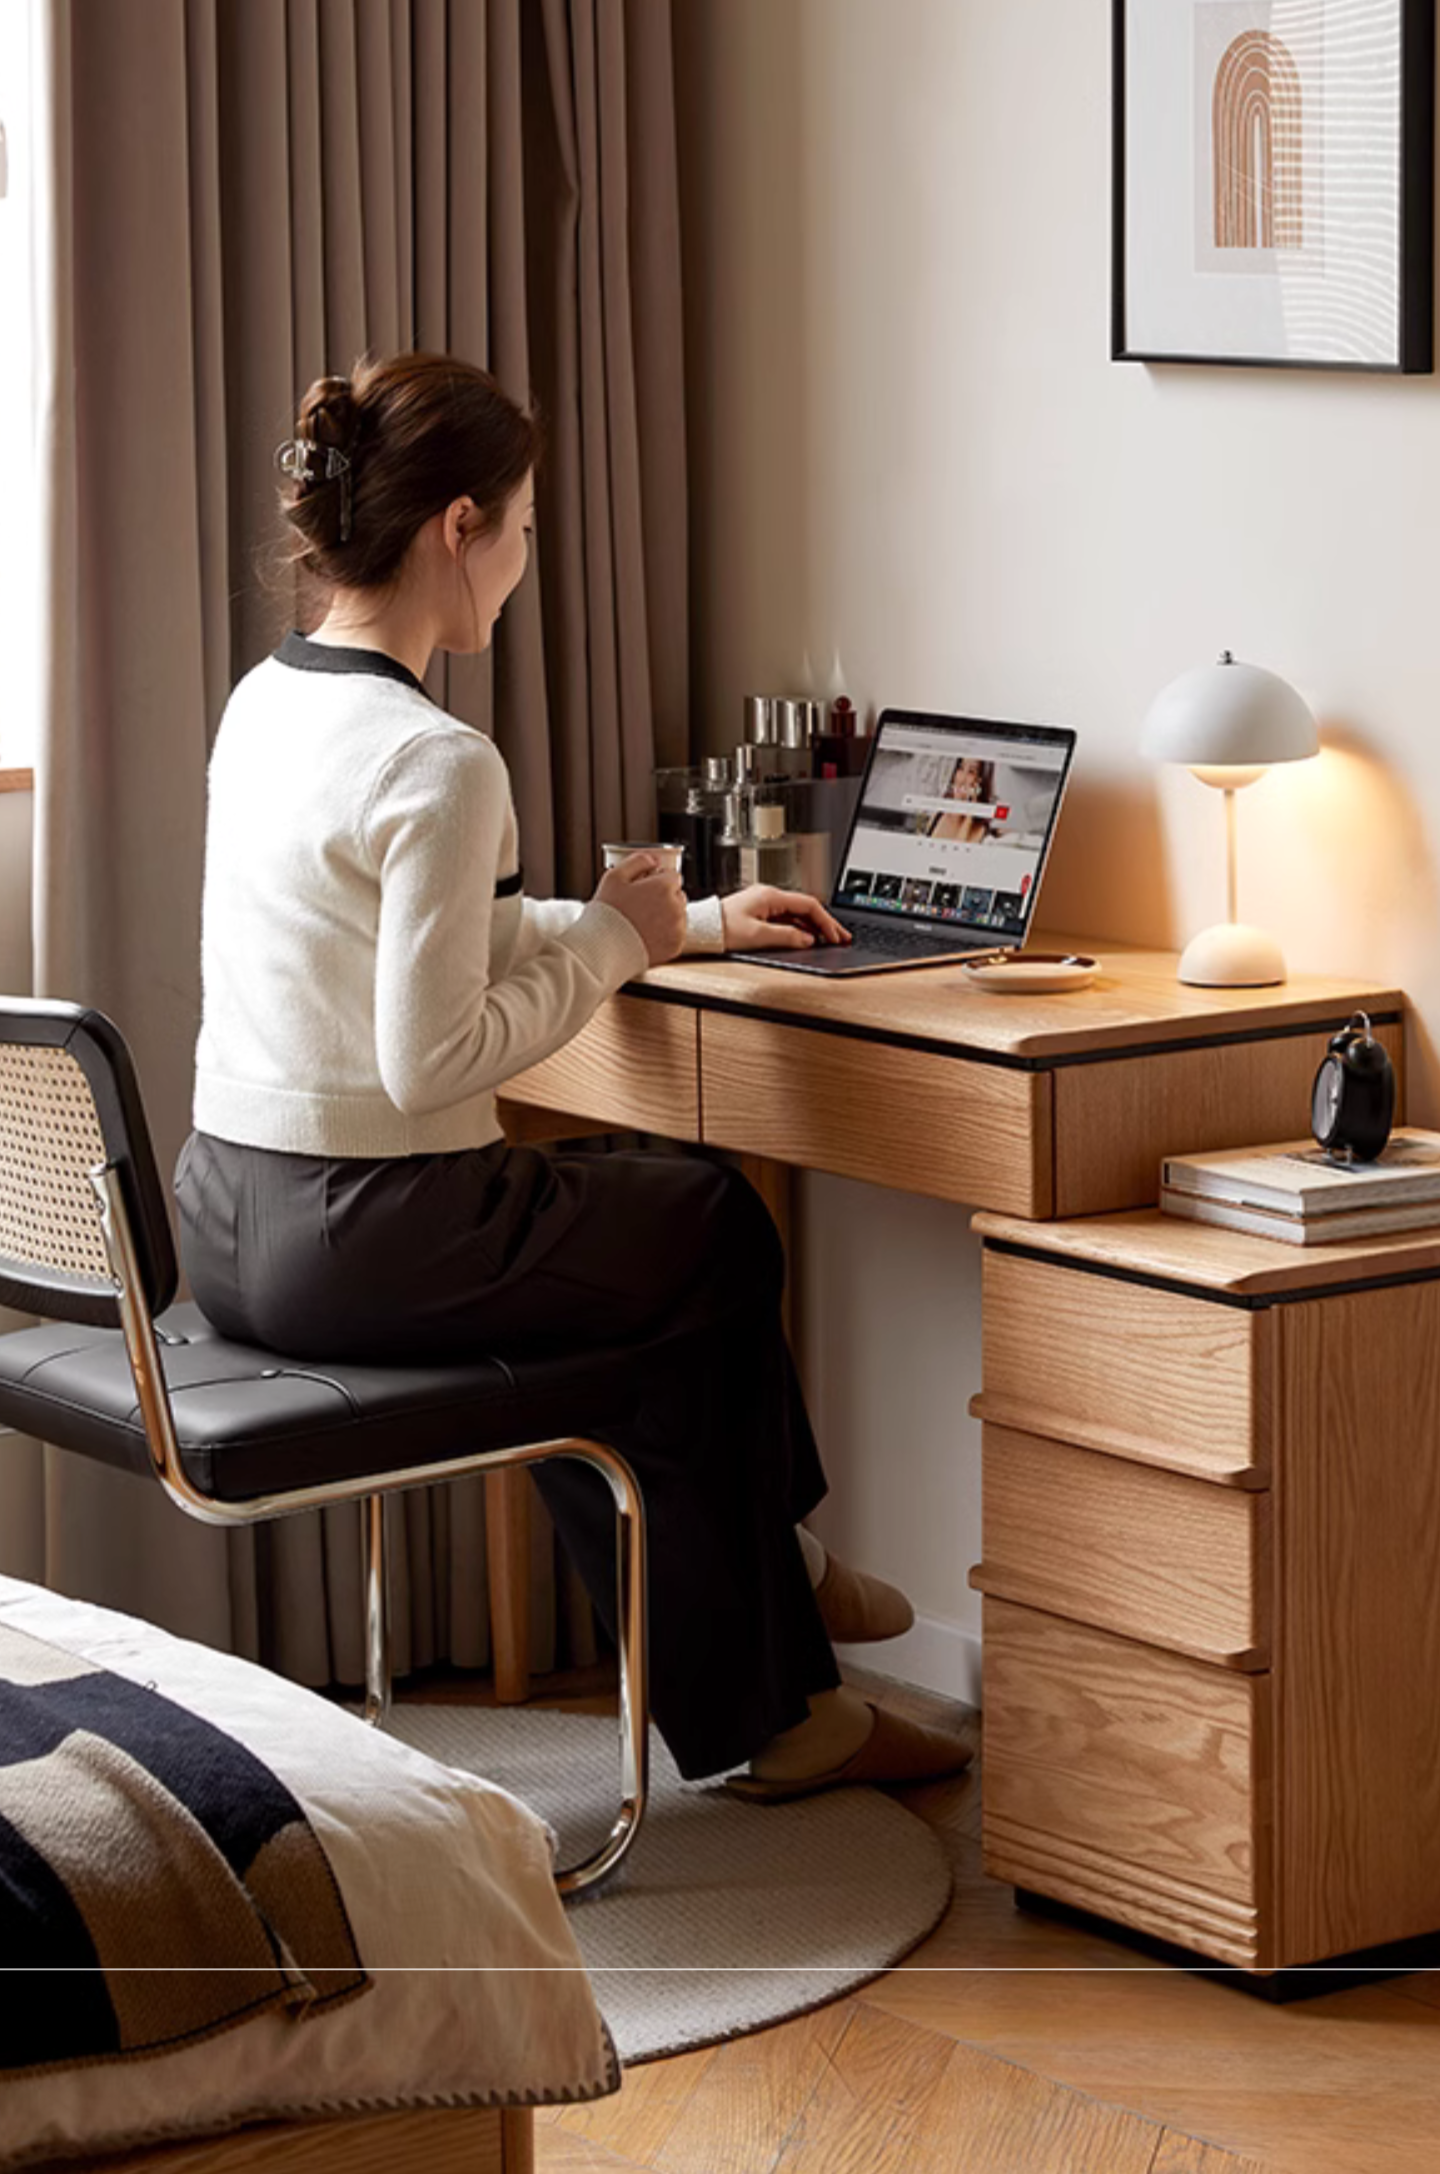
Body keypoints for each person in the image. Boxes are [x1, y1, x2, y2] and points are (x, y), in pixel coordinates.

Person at [176, 352, 971, 1799]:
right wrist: (611, 939)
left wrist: (682, 926)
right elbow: (436, 1053)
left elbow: (423, 942)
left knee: (642, 1291)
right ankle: (778, 1592)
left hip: (232, 1220)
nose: (530, 567)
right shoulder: (437, 756)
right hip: (370, 1227)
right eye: (529, 532)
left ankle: (779, 1690)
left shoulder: (267, 704)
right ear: (459, 527)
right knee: (716, 1218)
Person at [928, 756, 994, 843]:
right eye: (960, 768)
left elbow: (957, 854)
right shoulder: (938, 815)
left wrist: (970, 815)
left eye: (971, 772)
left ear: (979, 783)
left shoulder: (980, 831)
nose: (962, 779)